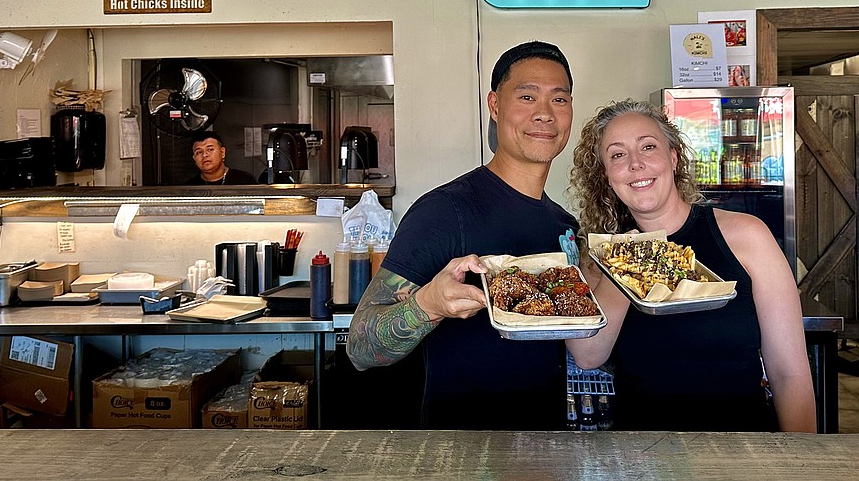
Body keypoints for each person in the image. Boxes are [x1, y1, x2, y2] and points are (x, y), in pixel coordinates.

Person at [346, 41, 578, 429]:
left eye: (560, 99)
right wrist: (428, 304)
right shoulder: (445, 211)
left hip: (546, 452)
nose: (544, 114)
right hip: (459, 454)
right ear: (495, 105)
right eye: (527, 96)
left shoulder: (564, 226)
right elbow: (360, 347)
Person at [566, 99, 816, 432]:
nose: (636, 164)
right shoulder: (598, 259)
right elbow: (587, 355)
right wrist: (626, 257)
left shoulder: (747, 237)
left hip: (743, 452)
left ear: (672, 157)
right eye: (617, 155)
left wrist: (800, 467)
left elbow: (789, 373)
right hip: (643, 459)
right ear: (606, 175)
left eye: (648, 147)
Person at [186, 132, 257, 185]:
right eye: (199, 152)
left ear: (222, 152)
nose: (205, 155)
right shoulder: (189, 187)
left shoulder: (245, 181)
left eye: (210, 149)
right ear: (194, 158)